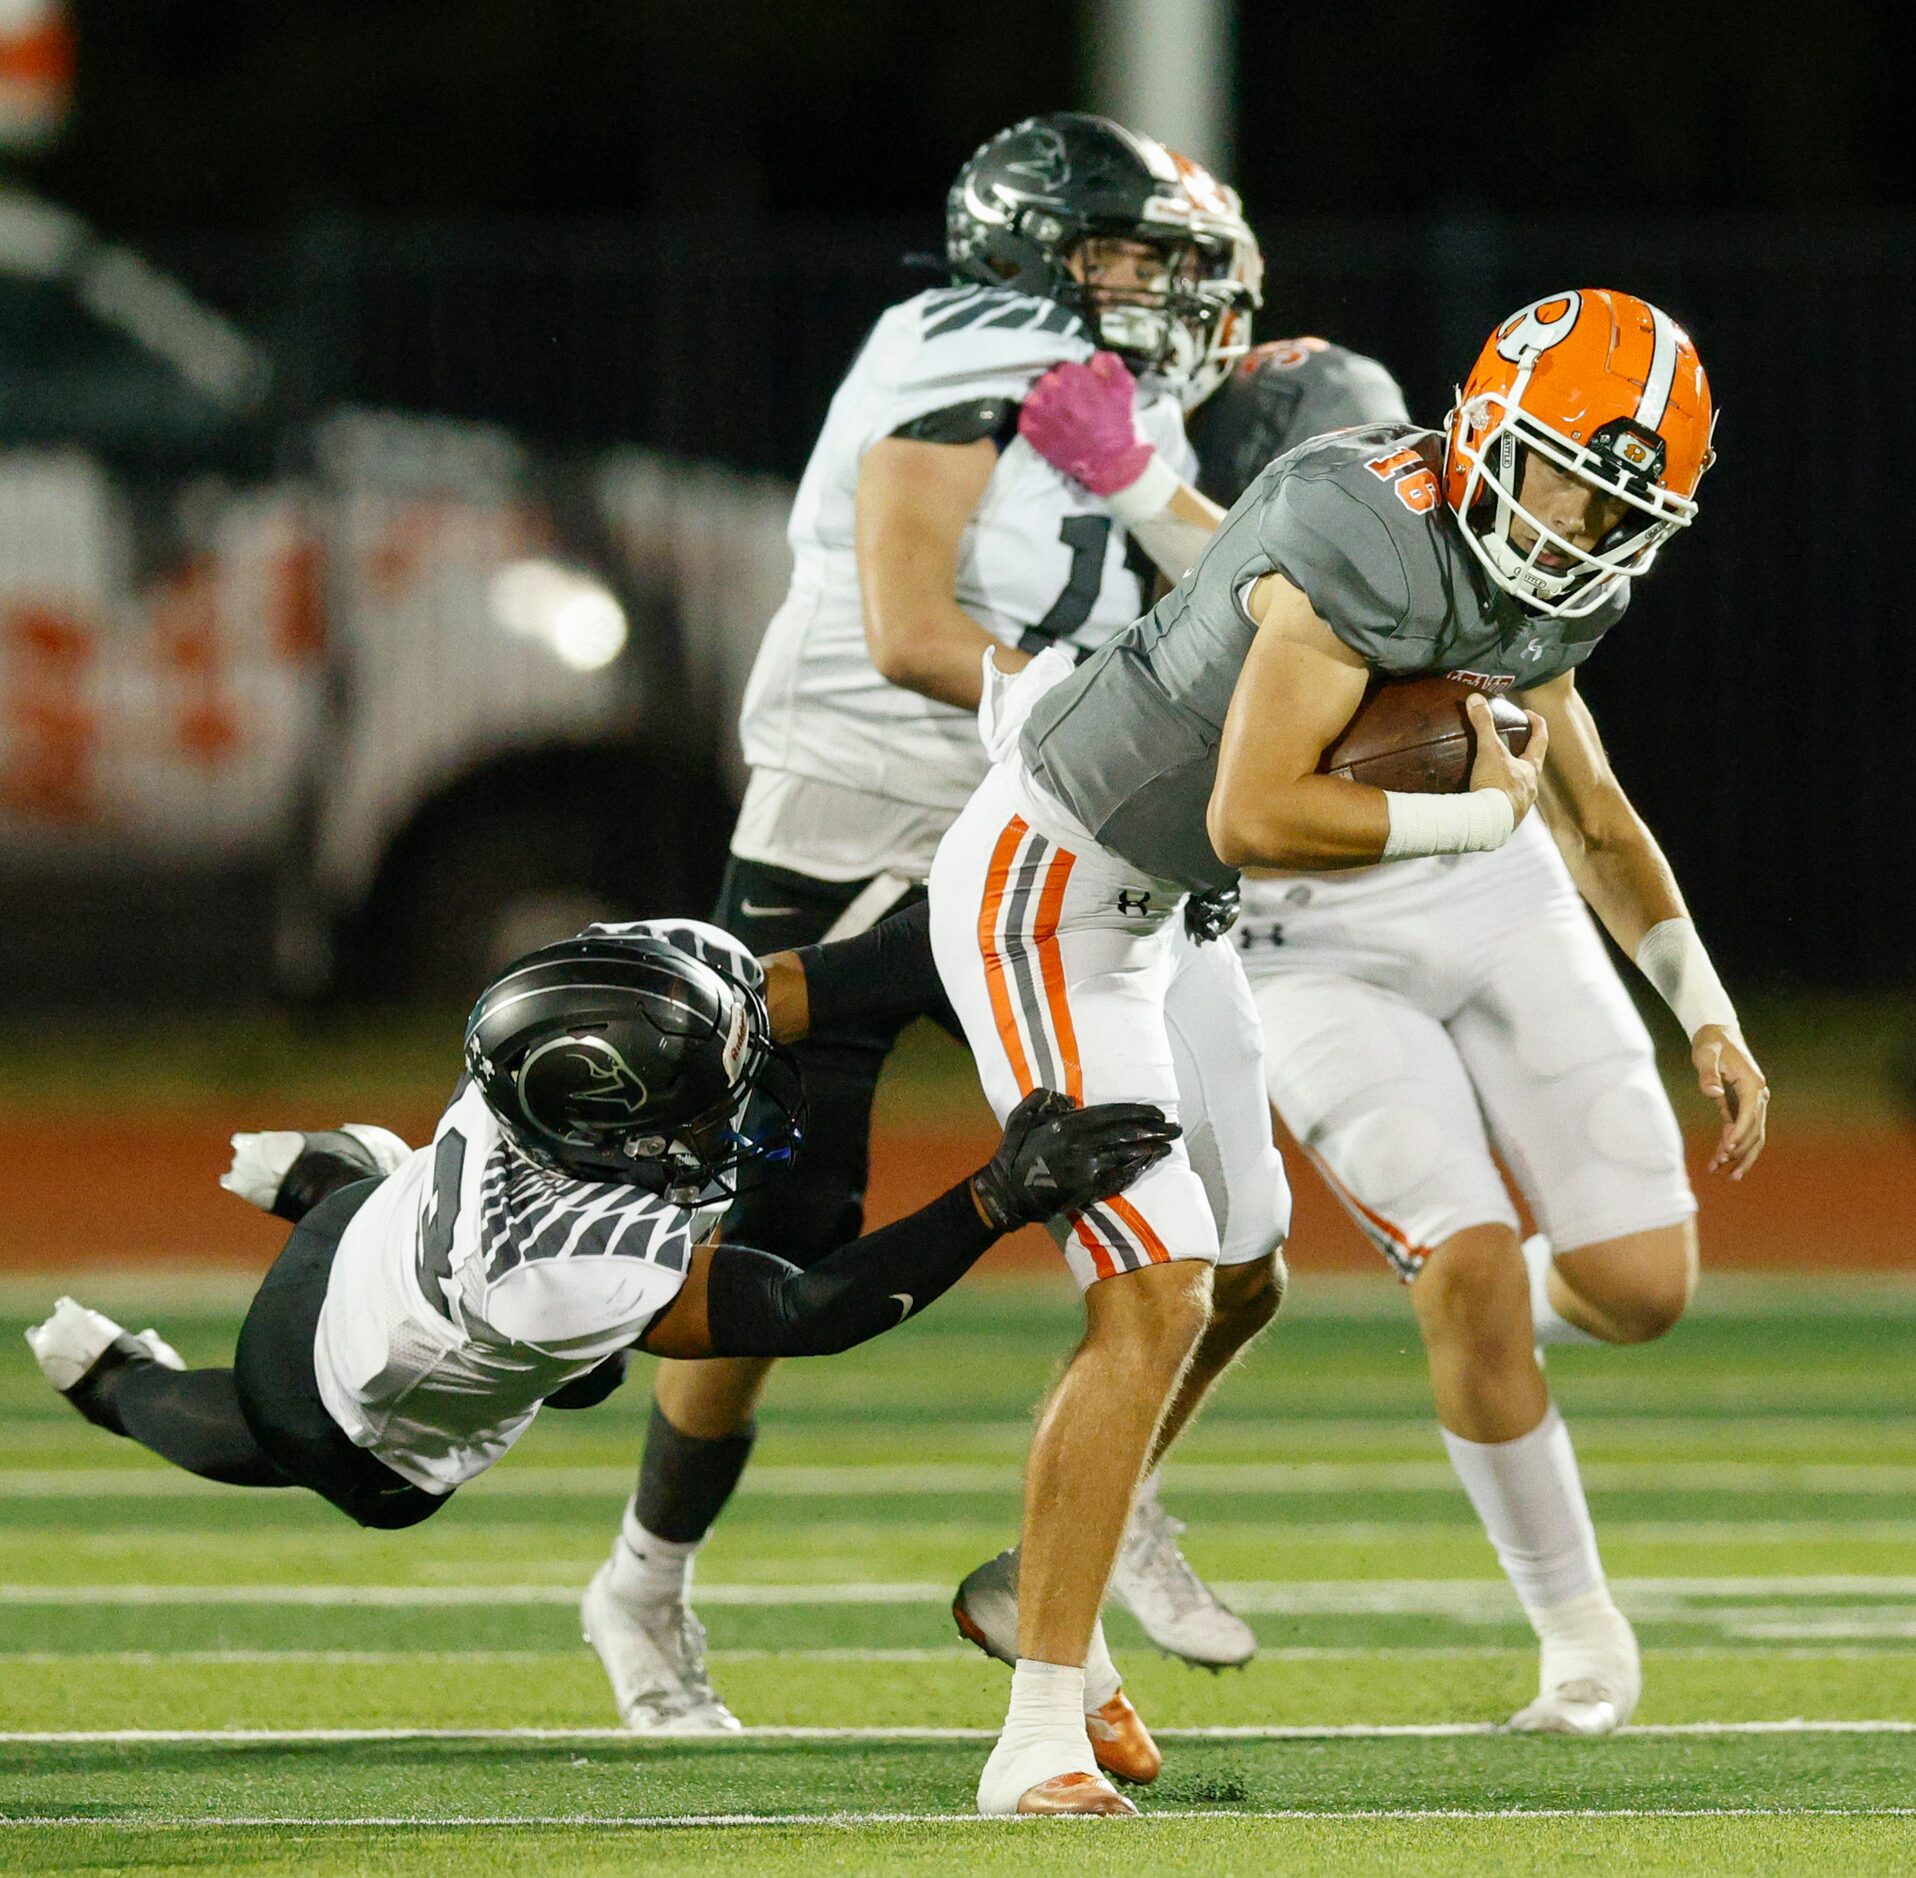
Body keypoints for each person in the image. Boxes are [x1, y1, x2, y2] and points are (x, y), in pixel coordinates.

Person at [926, 288, 1768, 1814]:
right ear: (1484, 431)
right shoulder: (1353, 522)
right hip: (1055, 887)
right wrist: (1475, 815)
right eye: (1566, 476)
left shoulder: (1559, 586)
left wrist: (1698, 999)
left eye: (1619, 503)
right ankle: (1039, 1729)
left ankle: (1055, 1611)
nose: (1579, 526)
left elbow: (1578, 798)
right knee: (1156, 1285)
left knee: (1244, 1277)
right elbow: (1260, 814)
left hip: (1173, 912)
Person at [595, 110, 1263, 1742]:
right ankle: (644, 1575)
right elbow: (908, 623)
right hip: (861, 798)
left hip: (1048, 819)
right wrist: (1079, 715)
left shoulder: (1126, 396)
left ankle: (1080, 1567)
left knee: (1187, 1212)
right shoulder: (968, 338)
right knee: (782, 1229)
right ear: (1037, 245)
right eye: (1132, 255)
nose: (1164, 291)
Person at [27, 916, 1175, 1540]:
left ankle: (342, 1178)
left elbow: (825, 976)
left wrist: (1037, 929)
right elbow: (805, 1312)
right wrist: (994, 1198)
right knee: (353, 1478)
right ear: (611, 1132)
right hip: (348, 1377)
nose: (742, 1097)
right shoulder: (560, 1263)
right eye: (707, 1096)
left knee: (585, 1371)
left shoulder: (583, 1022)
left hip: (389, 1220)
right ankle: (117, 1385)